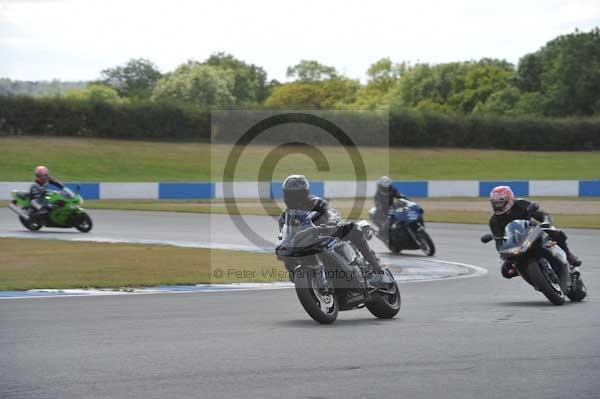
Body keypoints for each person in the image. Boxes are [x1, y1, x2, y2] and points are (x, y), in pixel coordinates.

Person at [279, 174, 383, 273]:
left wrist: (331, 223)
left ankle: (375, 265)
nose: (292, 198)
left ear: (304, 193)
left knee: (353, 228)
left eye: (295, 195)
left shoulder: (315, 202)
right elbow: (284, 234)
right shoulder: (285, 215)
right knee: (287, 256)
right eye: (289, 194)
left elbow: (331, 212)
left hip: (329, 233)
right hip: (306, 242)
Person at [488, 185, 581, 279]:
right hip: (515, 244)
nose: (497, 206)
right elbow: (499, 242)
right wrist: (504, 253)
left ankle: (568, 255)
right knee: (505, 272)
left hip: (532, 232)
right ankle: (527, 272)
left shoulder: (522, 203)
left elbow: (542, 215)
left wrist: (546, 221)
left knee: (556, 233)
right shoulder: (494, 221)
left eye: (500, 203)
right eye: (495, 203)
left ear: (509, 200)